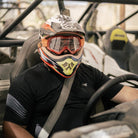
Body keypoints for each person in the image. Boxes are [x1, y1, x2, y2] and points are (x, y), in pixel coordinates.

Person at [3, 15, 138, 138]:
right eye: (58, 45)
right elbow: (13, 125)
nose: (66, 51)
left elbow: (126, 93)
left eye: (73, 45)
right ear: (42, 45)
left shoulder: (90, 73)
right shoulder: (27, 81)